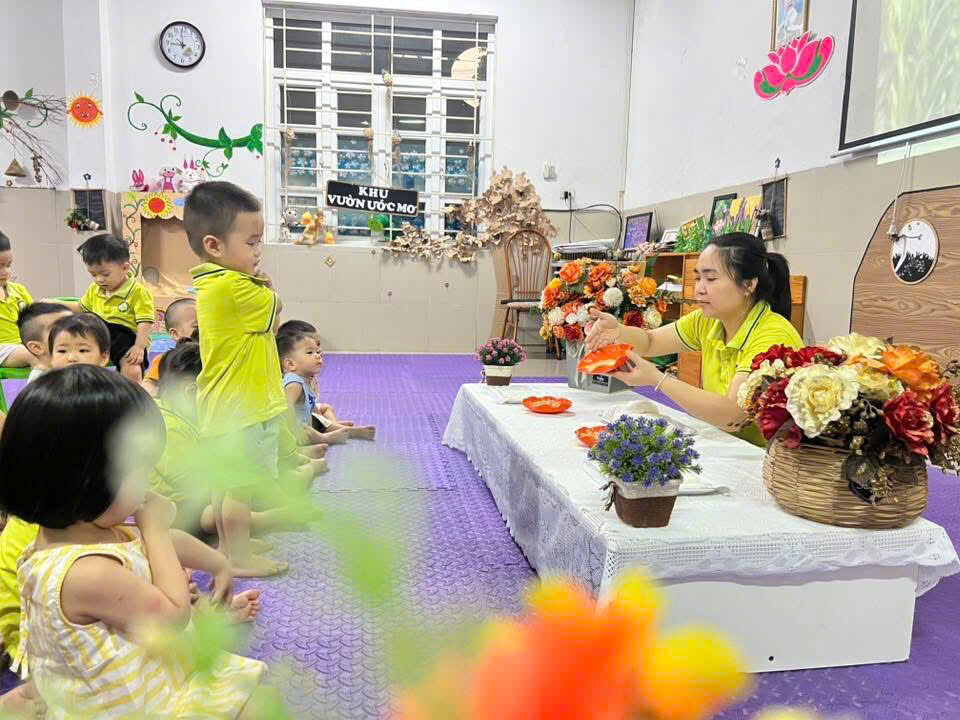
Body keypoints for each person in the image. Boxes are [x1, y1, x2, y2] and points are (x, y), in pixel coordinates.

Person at [0, 366, 269, 718]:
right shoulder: (84, 573)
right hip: (127, 705)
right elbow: (172, 617)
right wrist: (154, 528)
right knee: (255, 704)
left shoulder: (90, 529)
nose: (148, 482)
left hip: (136, 665)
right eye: (140, 470)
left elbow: (160, 544)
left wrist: (217, 562)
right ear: (88, 481)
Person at [585, 233, 802, 446]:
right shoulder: (707, 320)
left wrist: (658, 380)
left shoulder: (773, 336)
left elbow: (733, 416)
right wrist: (618, 331)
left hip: (768, 457)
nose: (699, 289)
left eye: (711, 279)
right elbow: (650, 342)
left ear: (749, 285)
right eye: (698, 278)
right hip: (725, 442)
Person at [184, 181, 295, 577]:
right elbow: (276, 308)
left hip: (223, 405)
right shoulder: (235, 286)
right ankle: (238, 557)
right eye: (251, 243)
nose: (258, 251)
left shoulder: (211, 282)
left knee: (226, 484)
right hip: (243, 407)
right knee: (240, 487)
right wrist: (267, 285)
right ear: (214, 246)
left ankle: (233, 543)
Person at [152, 339, 305, 549]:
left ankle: (240, 529)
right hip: (176, 506)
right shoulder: (166, 425)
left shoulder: (184, 413)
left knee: (242, 491)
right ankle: (269, 519)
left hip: (199, 490)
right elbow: (186, 479)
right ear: (192, 392)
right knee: (215, 512)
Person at [62, 233, 156, 382]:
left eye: (105, 274)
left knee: (132, 367)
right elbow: (82, 308)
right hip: (98, 333)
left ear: (125, 268)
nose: (99, 279)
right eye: (93, 274)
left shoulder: (138, 292)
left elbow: (145, 322)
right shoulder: (95, 289)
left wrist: (139, 346)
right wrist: (55, 304)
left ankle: (132, 393)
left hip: (125, 338)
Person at [277, 319, 376, 443]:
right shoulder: (294, 384)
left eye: (318, 349)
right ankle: (332, 435)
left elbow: (311, 406)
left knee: (326, 408)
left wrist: (325, 421)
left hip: (307, 418)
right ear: (291, 364)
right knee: (308, 429)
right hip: (297, 429)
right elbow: (286, 408)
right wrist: (293, 429)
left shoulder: (306, 377)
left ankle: (334, 427)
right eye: (310, 352)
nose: (319, 354)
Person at [142, 297, 198, 396]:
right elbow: (148, 386)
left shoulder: (209, 356)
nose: (204, 330)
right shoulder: (164, 360)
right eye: (197, 326)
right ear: (175, 334)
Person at [0, 231, 36, 369]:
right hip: (3, 347)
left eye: (8, 265)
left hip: (24, 344)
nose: (5, 272)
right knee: (34, 354)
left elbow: (36, 320)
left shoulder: (19, 291)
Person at [16, 302, 73, 382]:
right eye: (61, 329)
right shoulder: (41, 383)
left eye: (76, 325)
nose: (75, 332)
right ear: (37, 347)